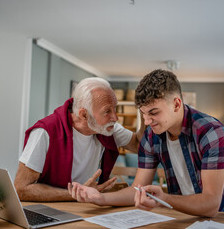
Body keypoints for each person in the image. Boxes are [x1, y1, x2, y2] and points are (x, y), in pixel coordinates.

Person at [69, 69, 224, 217]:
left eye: (153, 113)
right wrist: (100, 198)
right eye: (143, 113)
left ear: (177, 104)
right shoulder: (152, 137)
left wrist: (164, 199)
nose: (147, 121)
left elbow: (211, 204)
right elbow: (137, 188)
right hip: (193, 215)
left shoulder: (211, 132)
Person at [14, 77, 142, 202]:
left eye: (115, 108)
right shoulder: (44, 132)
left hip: (89, 207)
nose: (115, 117)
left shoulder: (108, 128)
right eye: (107, 111)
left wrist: (145, 111)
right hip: (50, 209)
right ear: (84, 114)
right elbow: (21, 188)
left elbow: (139, 145)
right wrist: (77, 194)